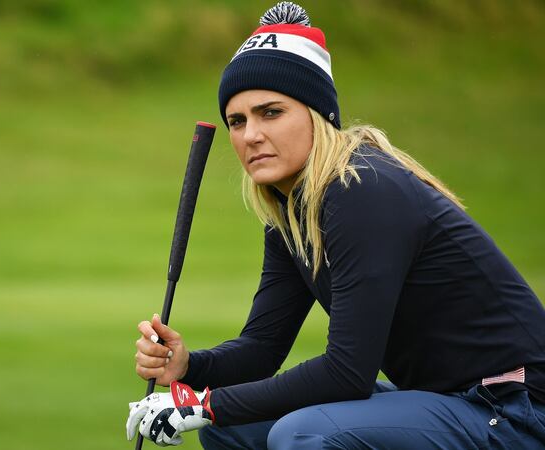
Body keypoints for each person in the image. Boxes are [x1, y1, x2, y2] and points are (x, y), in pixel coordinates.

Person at [125, 2, 545, 449]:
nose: (250, 135)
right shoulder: (293, 212)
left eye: (271, 112)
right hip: (448, 401)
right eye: (237, 120)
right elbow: (262, 349)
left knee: (300, 433)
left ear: (316, 113)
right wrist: (189, 367)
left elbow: (347, 372)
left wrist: (205, 405)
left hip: (515, 410)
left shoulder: (361, 189)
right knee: (232, 425)